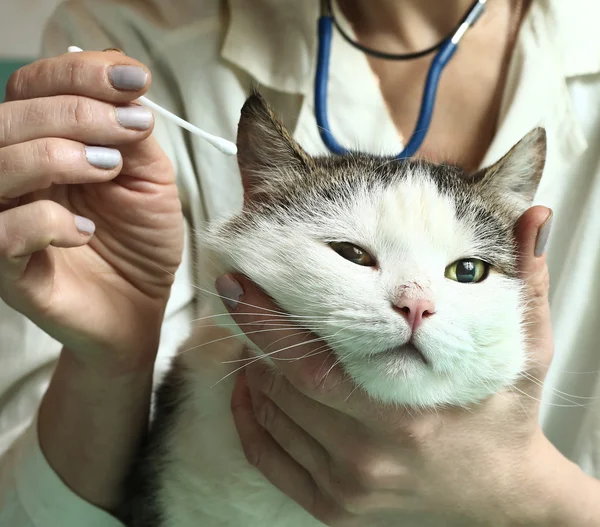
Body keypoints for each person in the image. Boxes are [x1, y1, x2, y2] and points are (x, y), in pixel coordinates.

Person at [0, 0, 599, 525]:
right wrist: (110, 359)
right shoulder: (129, 29)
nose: (417, 305)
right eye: (353, 253)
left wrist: (531, 496)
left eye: (466, 271)